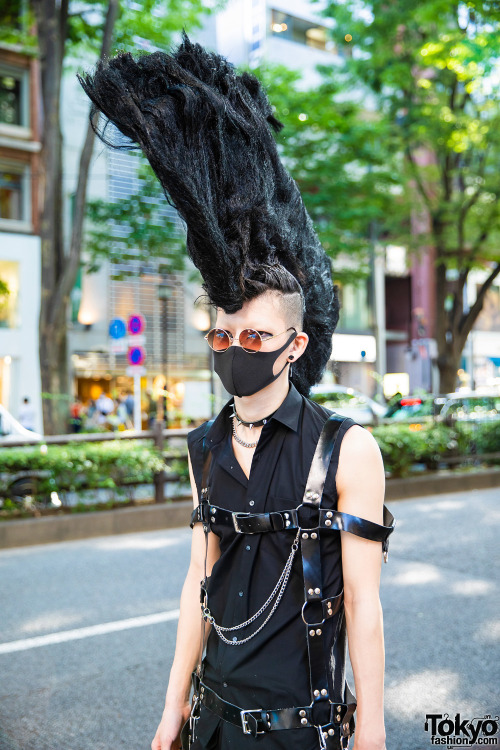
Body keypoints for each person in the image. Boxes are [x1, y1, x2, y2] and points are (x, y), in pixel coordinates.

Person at [78, 33, 395, 750]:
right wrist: (169, 712)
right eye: (223, 337)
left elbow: (367, 607)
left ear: (297, 345)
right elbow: (198, 588)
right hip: (211, 724)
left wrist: (372, 731)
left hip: (301, 732)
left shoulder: (349, 450)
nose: (235, 351)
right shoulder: (205, 446)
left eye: (256, 339)